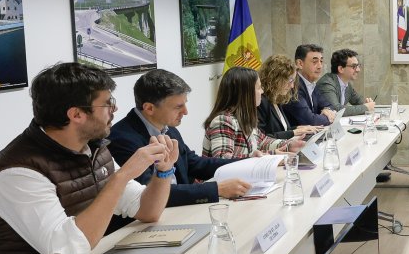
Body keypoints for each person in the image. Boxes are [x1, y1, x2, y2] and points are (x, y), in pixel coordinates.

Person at [0, 63, 177, 254]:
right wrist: (122, 176)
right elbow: (67, 252)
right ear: (76, 114)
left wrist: (164, 171)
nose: (114, 109)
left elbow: (147, 210)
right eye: (107, 103)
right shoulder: (17, 172)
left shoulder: (93, 149)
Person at [109, 69, 251, 206]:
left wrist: (249, 163)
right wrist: (217, 189)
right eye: (178, 107)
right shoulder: (121, 139)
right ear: (149, 108)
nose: (186, 112)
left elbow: (195, 164)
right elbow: (148, 193)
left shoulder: (168, 128)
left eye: (185, 104)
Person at [203, 67, 303, 158]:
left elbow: (263, 141)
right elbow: (222, 159)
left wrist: (289, 144)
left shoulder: (245, 118)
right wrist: (270, 155)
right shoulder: (223, 120)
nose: (262, 91)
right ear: (246, 93)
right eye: (259, 88)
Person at [257, 54, 321, 141]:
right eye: (290, 80)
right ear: (275, 78)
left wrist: (299, 128)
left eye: (293, 81)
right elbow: (261, 138)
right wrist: (294, 132)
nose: (291, 86)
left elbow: (283, 130)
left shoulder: (276, 98)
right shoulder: (260, 101)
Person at [283, 44, 337, 127]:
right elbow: (310, 121)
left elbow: (329, 105)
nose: (320, 66)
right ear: (300, 64)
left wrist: (327, 110)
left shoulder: (311, 83)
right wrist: (329, 117)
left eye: (321, 61)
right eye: (315, 62)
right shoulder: (292, 86)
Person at [316, 48, 375, 116]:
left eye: (358, 66)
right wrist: (365, 107)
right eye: (354, 66)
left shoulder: (347, 84)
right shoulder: (327, 83)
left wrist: (367, 103)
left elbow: (359, 102)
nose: (358, 70)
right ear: (341, 69)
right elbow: (335, 109)